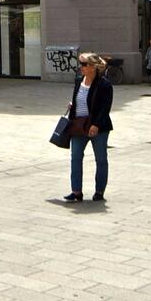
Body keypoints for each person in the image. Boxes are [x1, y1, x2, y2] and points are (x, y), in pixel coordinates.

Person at [62, 52, 114, 202]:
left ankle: (99, 192)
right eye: (80, 64)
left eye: (84, 64)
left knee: (101, 159)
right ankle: (76, 191)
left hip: (97, 127)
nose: (81, 67)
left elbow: (105, 107)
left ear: (93, 67)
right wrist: (73, 105)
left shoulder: (104, 84)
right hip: (78, 125)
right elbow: (79, 99)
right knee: (75, 158)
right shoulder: (79, 81)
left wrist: (96, 125)